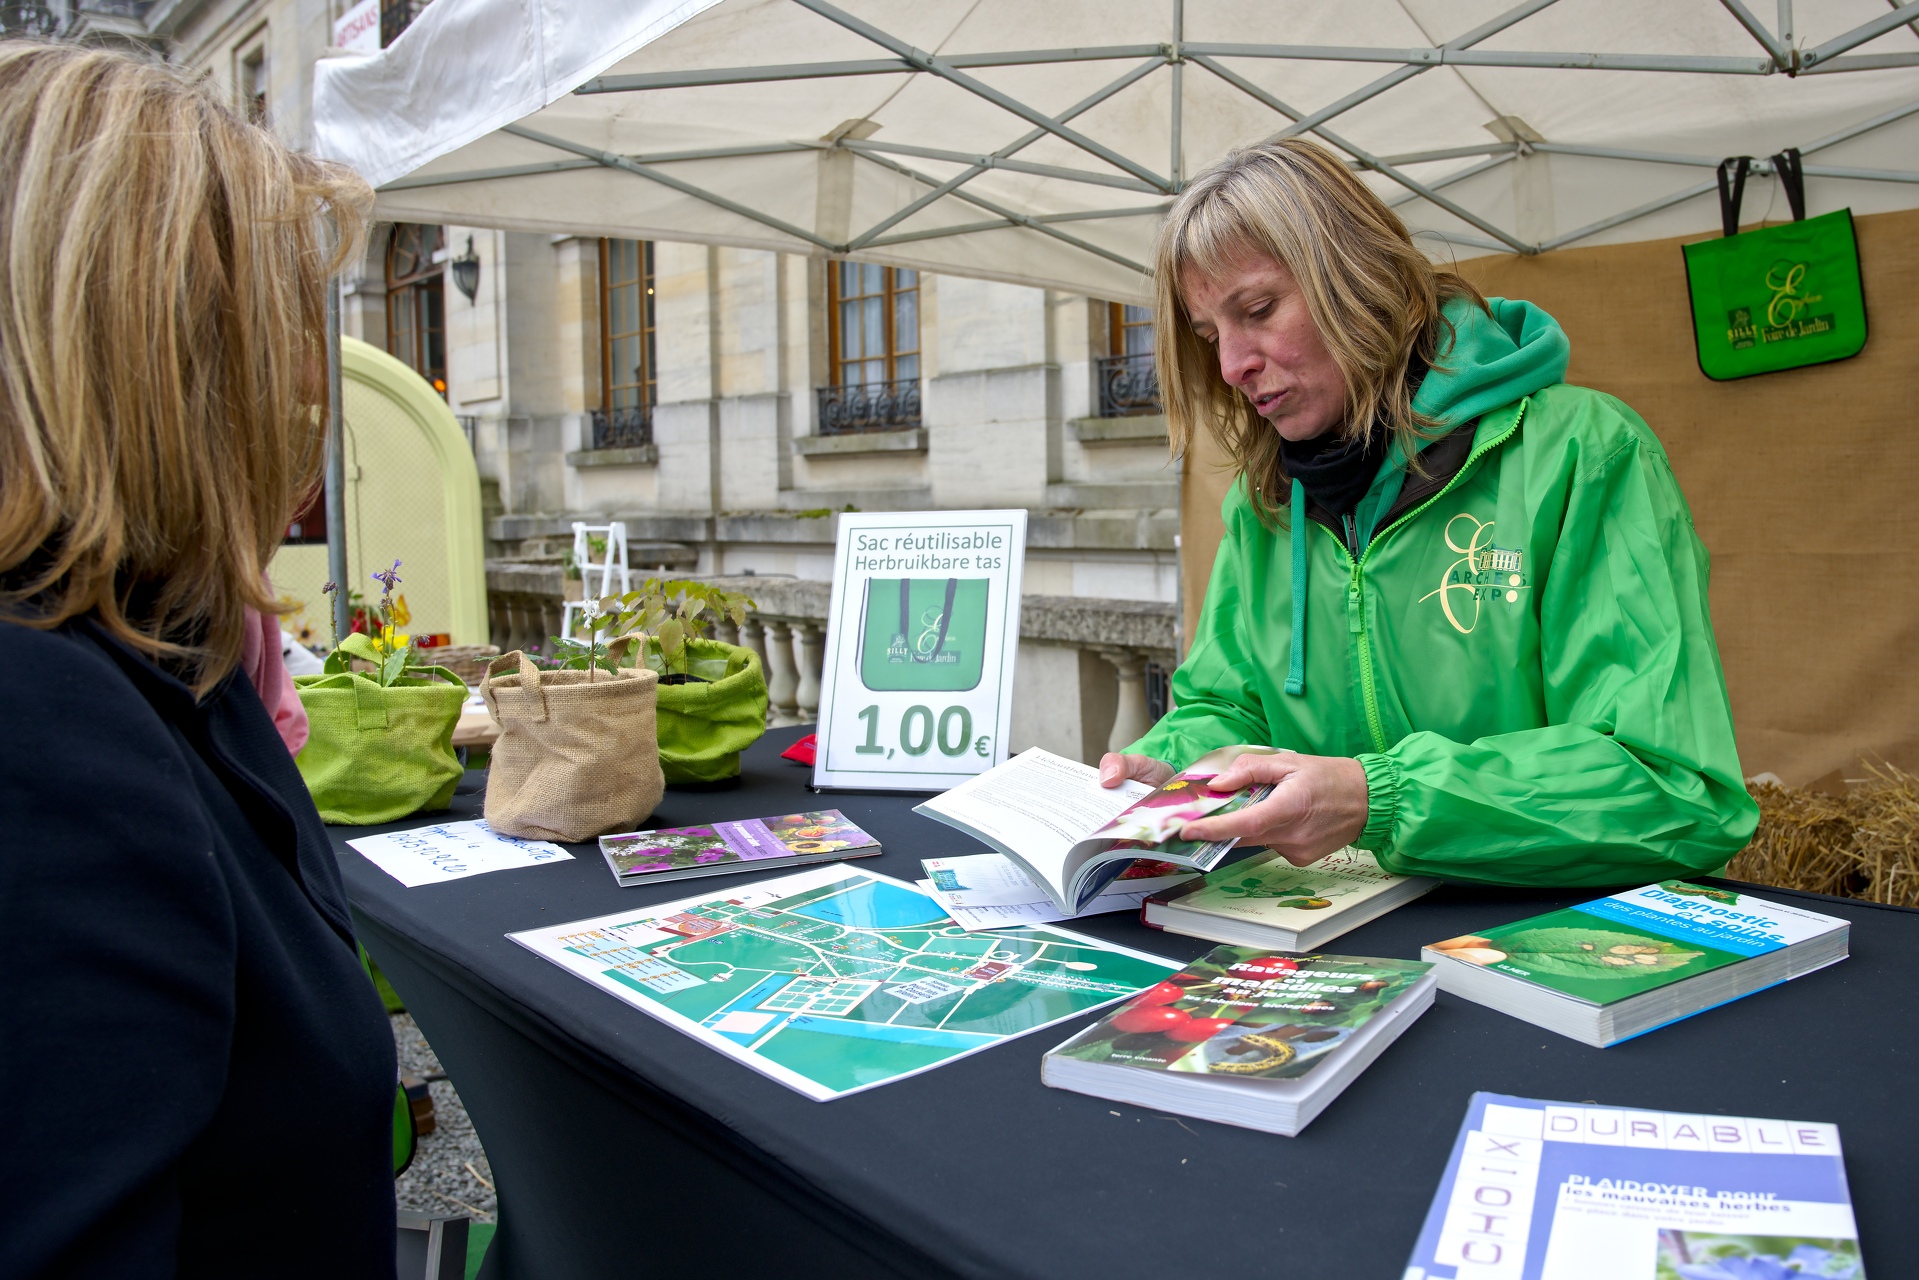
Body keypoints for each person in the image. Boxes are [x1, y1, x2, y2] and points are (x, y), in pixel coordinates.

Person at [1101, 139, 1757, 886]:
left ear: (1360, 279)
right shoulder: (1265, 506)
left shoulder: (1582, 452)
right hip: (1329, 946)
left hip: (1536, 946)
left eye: (1257, 310)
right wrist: (1177, 767)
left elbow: (1672, 786)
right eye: (1210, 335)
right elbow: (1228, 710)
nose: (1230, 366)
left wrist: (1381, 797)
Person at [0, 44, 397, 1276]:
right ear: (163, 360)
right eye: (272, 322)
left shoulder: (147, 646)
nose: (298, 385)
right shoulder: (44, 729)